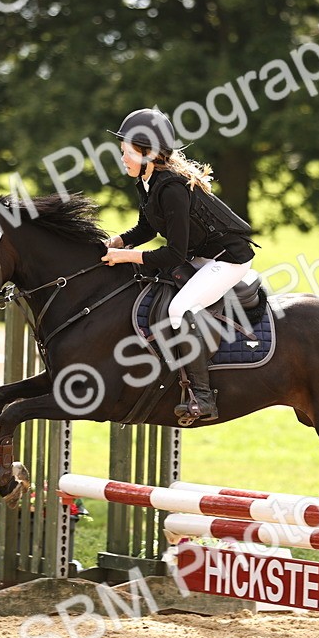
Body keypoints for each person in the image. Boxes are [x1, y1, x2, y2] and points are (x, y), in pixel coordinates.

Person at [100, 108, 257, 421]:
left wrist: (125, 256)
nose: (123, 159)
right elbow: (146, 229)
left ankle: (203, 397)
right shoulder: (147, 181)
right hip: (203, 255)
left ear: (149, 153)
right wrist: (115, 242)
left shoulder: (171, 187)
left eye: (127, 152)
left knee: (179, 309)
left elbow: (173, 253)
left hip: (228, 259)